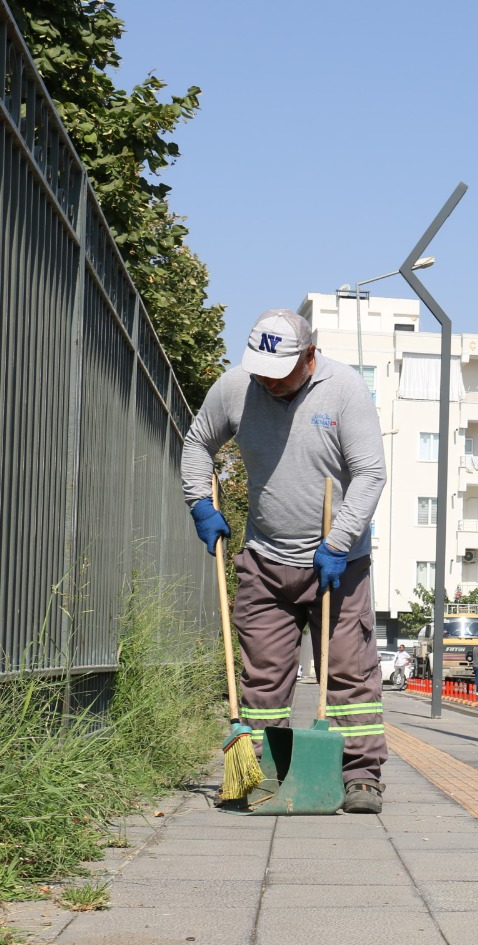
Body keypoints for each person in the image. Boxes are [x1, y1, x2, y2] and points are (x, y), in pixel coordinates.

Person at [181, 308, 388, 814]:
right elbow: (198, 442)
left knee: (349, 674)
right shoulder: (236, 387)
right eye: (260, 372)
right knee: (263, 678)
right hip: (265, 559)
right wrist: (199, 501)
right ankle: (262, 773)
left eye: (279, 373)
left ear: (309, 355)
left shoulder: (344, 390)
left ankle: (361, 776)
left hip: (337, 563)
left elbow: (370, 474)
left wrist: (339, 542)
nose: (267, 383)